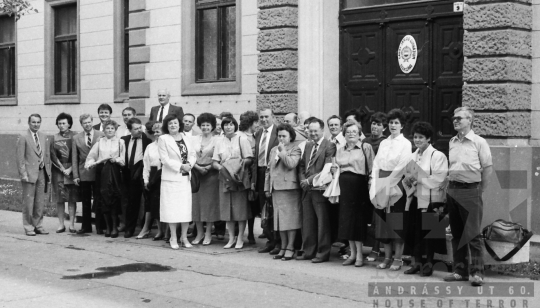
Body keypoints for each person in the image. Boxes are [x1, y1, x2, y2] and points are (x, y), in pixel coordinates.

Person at [444, 107, 492, 287]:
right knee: (457, 233)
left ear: (469, 120)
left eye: (459, 118)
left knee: (472, 234)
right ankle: (460, 271)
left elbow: (487, 168)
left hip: (471, 190)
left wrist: (480, 190)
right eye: (454, 118)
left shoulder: (479, 142)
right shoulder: (452, 141)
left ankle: (477, 273)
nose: (455, 121)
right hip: (453, 190)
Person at [403, 121, 448, 276]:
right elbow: (407, 176)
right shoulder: (412, 156)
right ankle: (416, 263)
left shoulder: (438, 156)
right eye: (415, 137)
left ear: (429, 138)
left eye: (421, 137)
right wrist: (409, 180)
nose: (417, 140)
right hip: (415, 198)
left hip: (430, 200)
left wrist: (419, 180)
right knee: (415, 232)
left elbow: (440, 179)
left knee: (429, 233)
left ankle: (428, 264)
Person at [369, 108, 412, 271]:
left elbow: (402, 166)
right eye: (391, 123)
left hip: (396, 185)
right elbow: (376, 163)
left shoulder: (406, 144)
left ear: (402, 126)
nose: (393, 126)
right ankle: (386, 257)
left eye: (396, 123)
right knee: (382, 222)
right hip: (381, 182)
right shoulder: (384, 143)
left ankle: (398, 258)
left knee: (395, 222)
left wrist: (388, 183)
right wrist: (375, 182)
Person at [331, 120, 375, 267]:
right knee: (347, 221)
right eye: (348, 132)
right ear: (344, 134)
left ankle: (360, 256)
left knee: (358, 221)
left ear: (359, 134)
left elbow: (372, 168)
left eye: (354, 132)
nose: (351, 134)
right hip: (344, 187)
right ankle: (352, 254)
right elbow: (336, 167)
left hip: (359, 186)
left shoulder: (365, 147)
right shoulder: (340, 149)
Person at [297, 118, 337, 263]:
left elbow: (327, 168)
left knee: (322, 223)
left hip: (320, 189)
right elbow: (302, 165)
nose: (312, 133)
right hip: (307, 189)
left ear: (322, 131)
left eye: (315, 131)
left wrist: (309, 181)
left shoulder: (329, 146)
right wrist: (303, 180)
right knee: (308, 222)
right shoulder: (308, 145)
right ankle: (309, 251)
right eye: (310, 131)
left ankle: (322, 252)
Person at [212, 117, 254, 249]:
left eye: (231, 125)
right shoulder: (219, 141)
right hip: (225, 178)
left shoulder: (242, 139)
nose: (228, 127)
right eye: (225, 125)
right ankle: (231, 238)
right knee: (227, 210)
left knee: (240, 210)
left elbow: (249, 159)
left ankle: (240, 237)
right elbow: (214, 161)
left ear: (235, 126)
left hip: (239, 178)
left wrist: (236, 165)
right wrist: (222, 168)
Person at [264, 124, 302, 261]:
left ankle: (291, 247)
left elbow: (291, 164)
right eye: (279, 136)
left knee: (290, 220)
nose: (281, 138)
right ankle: (284, 246)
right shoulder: (273, 149)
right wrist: (267, 188)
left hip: (289, 189)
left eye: (284, 136)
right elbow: (269, 170)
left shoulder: (295, 149)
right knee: (280, 220)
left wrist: (282, 151)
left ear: (290, 136)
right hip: (276, 189)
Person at [158, 114, 196, 249]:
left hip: (185, 178)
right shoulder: (163, 139)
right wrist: (180, 166)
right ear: (166, 126)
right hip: (171, 179)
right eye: (170, 124)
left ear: (179, 124)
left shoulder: (186, 137)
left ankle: (184, 237)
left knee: (185, 209)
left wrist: (189, 165)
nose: (173, 125)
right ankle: (173, 237)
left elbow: (192, 154)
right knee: (172, 209)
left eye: (175, 123)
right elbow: (164, 159)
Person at [85, 120, 126, 238]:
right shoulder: (99, 143)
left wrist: (117, 160)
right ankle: (107, 227)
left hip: (115, 172)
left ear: (115, 130)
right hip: (102, 172)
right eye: (107, 128)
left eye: (112, 128)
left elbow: (123, 159)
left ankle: (114, 227)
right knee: (104, 199)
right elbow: (90, 158)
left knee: (113, 199)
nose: (109, 130)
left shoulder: (120, 142)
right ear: (104, 130)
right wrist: (92, 164)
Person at [16, 114, 52, 236]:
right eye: (33, 122)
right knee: (28, 201)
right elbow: (20, 158)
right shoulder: (23, 137)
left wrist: (48, 172)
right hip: (29, 174)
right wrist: (23, 174)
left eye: (38, 122)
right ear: (29, 123)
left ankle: (38, 225)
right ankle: (28, 226)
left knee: (39, 201)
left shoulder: (43, 136)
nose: (36, 124)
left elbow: (46, 155)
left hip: (41, 172)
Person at [253, 106, 281, 254]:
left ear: (273, 117)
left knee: (274, 209)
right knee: (264, 209)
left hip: (273, 173)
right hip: (260, 173)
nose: (264, 119)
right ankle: (270, 240)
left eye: (266, 117)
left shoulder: (279, 133)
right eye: (261, 117)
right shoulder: (258, 133)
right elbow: (256, 157)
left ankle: (278, 242)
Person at [191, 113, 220, 246]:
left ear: (212, 126)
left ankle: (208, 232)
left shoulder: (217, 140)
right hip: (196, 174)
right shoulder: (194, 139)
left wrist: (207, 168)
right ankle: (199, 233)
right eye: (203, 125)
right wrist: (197, 167)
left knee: (209, 205)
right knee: (196, 205)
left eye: (208, 125)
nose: (205, 127)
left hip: (211, 175)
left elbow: (218, 157)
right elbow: (190, 156)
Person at [72, 114, 105, 234]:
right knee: (85, 200)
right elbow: (75, 158)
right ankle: (86, 226)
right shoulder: (76, 138)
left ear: (92, 122)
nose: (87, 124)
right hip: (84, 172)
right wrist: (75, 175)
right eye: (85, 123)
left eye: (89, 122)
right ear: (81, 124)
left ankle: (100, 226)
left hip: (98, 172)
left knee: (98, 199)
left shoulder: (100, 135)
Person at [363, 111, 388, 262]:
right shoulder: (365, 141)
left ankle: (376, 248)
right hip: (364, 181)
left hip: (378, 182)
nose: (375, 127)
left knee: (377, 216)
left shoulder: (384, 143)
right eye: (373, 123)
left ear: (384, 128)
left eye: (379, 125)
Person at [50, 113, 80, 233]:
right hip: (58, 171)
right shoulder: (54, 137)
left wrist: (71, 169)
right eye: (59, 123)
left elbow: (78, 155)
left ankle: (72, 224)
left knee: (72, 198)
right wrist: (62, 168)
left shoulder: (76, 136)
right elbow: (52, 155)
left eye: (64, 123)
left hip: (72, 170)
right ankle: (61, 224)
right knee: (60, 198)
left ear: (69, 124)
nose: (61, 125)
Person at [121, 118, 151, 238]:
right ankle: (130, 229)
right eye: (136, 129)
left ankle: (145, 228)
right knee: (131, 202)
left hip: (143, 173)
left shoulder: (147, 140)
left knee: (146, 202)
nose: (139, 130)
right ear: (129, 130)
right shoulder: (124, 140)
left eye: (140, 127)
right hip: (128, 173)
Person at [237, 111, 260, 245]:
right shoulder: (241, 136)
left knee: (252, 205)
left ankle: (251, 232)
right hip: (244, 174)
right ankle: (241, 233)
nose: (258, 125)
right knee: (243, 205)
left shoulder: (257, 136)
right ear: (251, 123)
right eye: (256, 122)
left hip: (255, 174)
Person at [140, 121, 165, 240]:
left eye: (159, 131)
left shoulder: (168, 145)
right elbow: (146, 164)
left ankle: (168, 232)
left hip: (165, 176)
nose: (156, 134)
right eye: (154, 132)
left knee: (165, 205)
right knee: (154, 205)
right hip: (153, 176)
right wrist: (146, 180)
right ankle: (160, 231)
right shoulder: (150, 147)